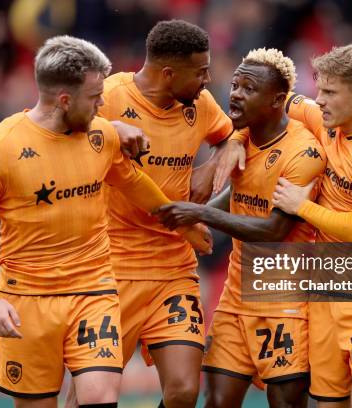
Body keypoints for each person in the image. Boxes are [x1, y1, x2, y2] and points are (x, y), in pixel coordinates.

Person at [0, 35, 210, 408]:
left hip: (94, 289)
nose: (103, 104)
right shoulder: (0, 147)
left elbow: (134, 183)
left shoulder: (100, 135)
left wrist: (181, 221)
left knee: (99, 397)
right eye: (94, 97)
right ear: (64, 100)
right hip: (27, 300)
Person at [230, 45, 352, 408]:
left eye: (329, 92)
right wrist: (236, 141)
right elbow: (262, 106)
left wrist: (303, 207)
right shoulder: (321, 118)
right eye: (319, 90)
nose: (319, 100)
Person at [155, 48, 326, 408]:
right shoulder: (246, 134)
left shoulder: (304, 153)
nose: (235, 94)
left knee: (285, 403)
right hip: (235, 295)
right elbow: (241, 191)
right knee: (217, 402)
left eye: (249, 88)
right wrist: (199, 213)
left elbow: (273, 230)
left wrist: (199, 214)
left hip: (284, 298)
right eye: (235, 85)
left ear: (277, 100)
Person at [76, 20, 234, 408]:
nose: (207, 79)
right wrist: (109, 127)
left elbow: (231, 136)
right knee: (92, 398)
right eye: (200, 71)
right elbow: (57, 131)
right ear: (168, 73)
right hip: (111, 269)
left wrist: (212, 165)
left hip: (172, 266)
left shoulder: (200, 104)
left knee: (183, 391)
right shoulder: (110, 96)